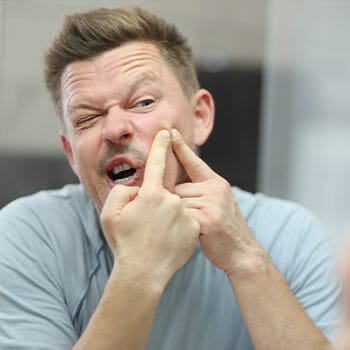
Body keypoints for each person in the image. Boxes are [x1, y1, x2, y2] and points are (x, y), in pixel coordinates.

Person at [0, 6, 340, 350]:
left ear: (200, 116)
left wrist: (244, 259)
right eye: (88, 118)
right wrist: (139, 268)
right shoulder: (30, 237)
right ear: (71, 153)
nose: (116, 128)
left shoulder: (289, 234)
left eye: (143, 102)